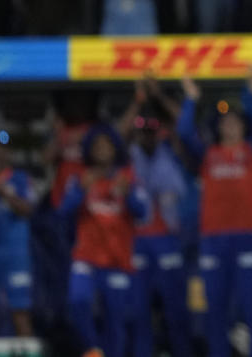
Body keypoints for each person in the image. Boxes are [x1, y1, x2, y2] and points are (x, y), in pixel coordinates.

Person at [176, 77, 252, 357]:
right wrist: (191, 98)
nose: (229, 125)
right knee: (213, 308)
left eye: (235, 121)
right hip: (213, 238)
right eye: (224, 122)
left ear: (243, 126)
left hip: (247, 236)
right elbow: (183, 132)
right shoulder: (208, 154)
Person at [59, 124, 149, 357]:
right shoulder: (81, 178)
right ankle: (92, 349)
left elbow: (143, 212)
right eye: (96, 146)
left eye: (106, 146)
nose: (101, 150)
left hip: (116, 260)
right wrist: (80, 190)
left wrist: (127, 194)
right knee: (78, 300)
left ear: (114, 149)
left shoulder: (127, 179)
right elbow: (64, 212)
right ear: (90, 150)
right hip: (86, 257)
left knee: (116, 318)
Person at [123, 108, 192, 357]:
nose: (147, 137)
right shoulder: (128, 159)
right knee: (138, 310)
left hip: (168, 239)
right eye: (142, 132)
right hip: (138, 239)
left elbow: (186, 143)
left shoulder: (171, 157)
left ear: (159, 133)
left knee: (176, 310)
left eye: (152, 132)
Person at [0, 129, 35, 337]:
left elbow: (27, 210)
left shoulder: (19, 178)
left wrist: (4, 192)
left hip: (16, 255)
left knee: (20, 311)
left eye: (3, 148)